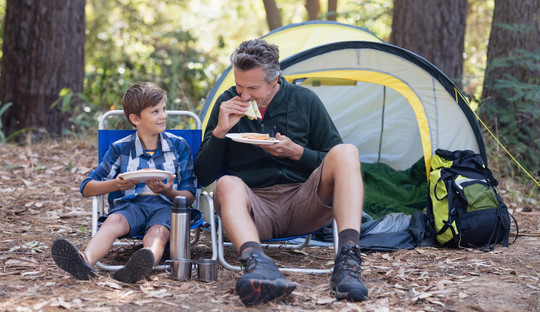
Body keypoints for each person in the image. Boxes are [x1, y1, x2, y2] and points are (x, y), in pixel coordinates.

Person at [194, 39, 368, 306]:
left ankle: (348, 259)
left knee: (346, 152)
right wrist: (220, 132)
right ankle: (257, 264)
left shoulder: (305, 100)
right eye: (239, 86)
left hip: (305, 201)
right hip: (254, 208)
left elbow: (332, 159)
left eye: (253, 88)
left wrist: (297, 153)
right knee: (227, 183)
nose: (244, 95)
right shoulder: (226, 102)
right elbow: (203, 176)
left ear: (275, 81)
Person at [52, 82, 197, 283]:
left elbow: (190, 196)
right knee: (114, 221)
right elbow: (87, 188)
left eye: (164, 109)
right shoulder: (120, 149)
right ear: (135, 118)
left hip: (167, 206)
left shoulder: (179, 146)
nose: (163, 115)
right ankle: (85, 260)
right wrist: (116, 185)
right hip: (131, 206)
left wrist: (169, 192)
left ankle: (143, 265)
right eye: (155, 111)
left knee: (158, 232)